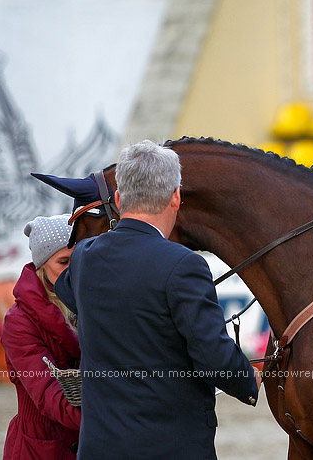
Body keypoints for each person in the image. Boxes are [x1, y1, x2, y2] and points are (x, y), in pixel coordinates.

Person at [54, 140, 260, 458]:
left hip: (100, 448)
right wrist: (247, 379)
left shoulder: (83, 256)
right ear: (176, 198)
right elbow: (213, 356)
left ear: (119, 199)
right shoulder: (184, 264)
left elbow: (67, 292)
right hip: (169, 447)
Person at [2, 215, 80, 459]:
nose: (73, 270)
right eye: (63, 261)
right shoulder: (20, 320)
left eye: (79, 260)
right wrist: (107, 420)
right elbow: (48, 393)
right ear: (42, 265)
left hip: (89, 440)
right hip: (41, 447)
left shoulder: (90, 303)